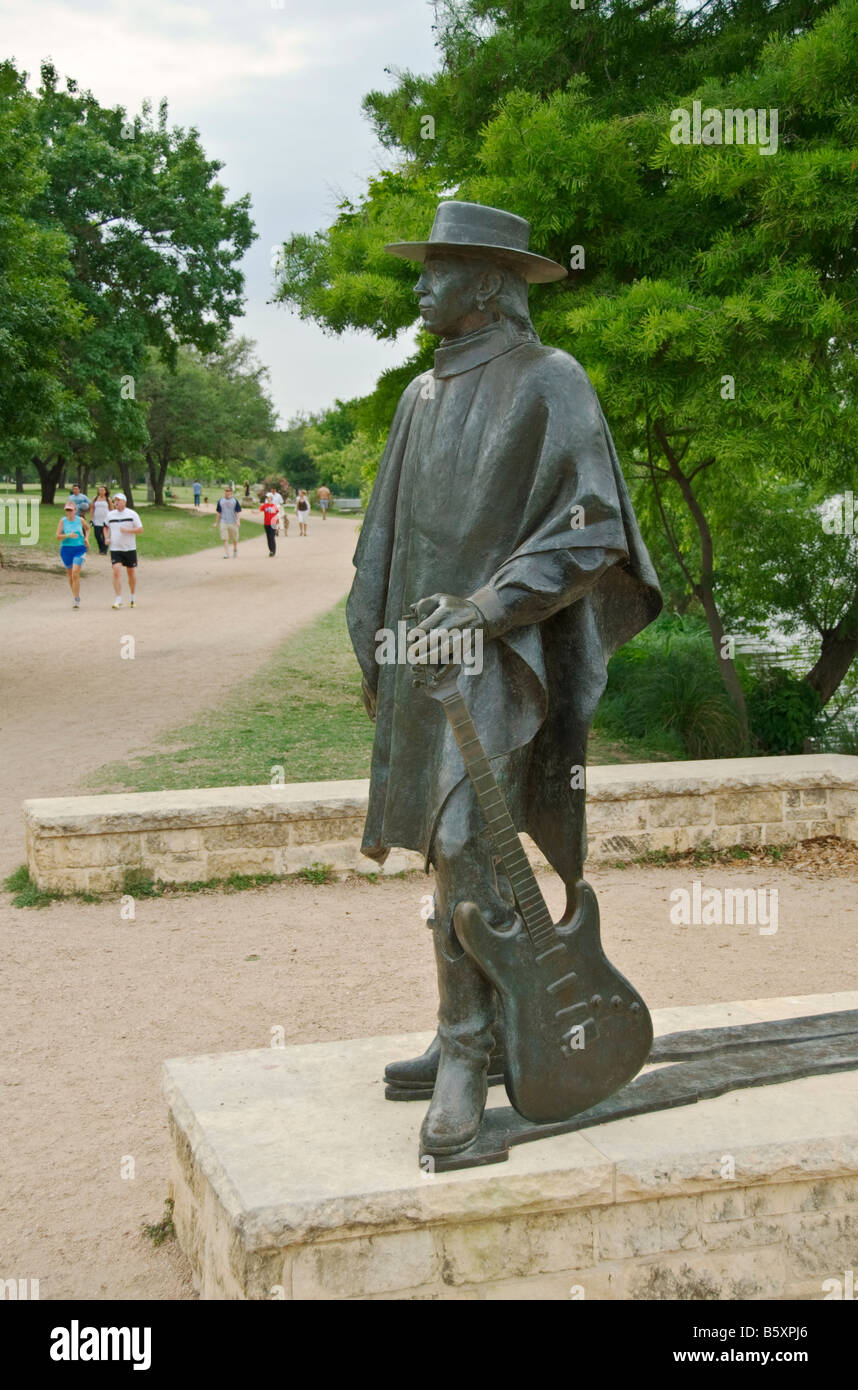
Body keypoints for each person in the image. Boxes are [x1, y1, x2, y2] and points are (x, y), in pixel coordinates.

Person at [347, 200, 661, 1157]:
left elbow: (593, 526)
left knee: (464, 831)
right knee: (451, 854)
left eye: (437, 270)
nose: (420, 285)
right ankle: (468, 1033)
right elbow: (389, 533)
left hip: (498, 653)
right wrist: (375, 630)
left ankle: (468, 1046)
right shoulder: (418, 396)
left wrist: (485, 608)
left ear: (489, 282)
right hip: (421, 658)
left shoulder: (550, 380)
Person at [106, 490, 143, 608]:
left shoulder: (132, 514)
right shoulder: (110, 515)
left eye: (119, 500)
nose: (116, 502)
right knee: (116, 571)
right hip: (115, 548)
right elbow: (105, 527)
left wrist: (128, 531)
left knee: (131, 572)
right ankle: (118, 599)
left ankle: (132, 597)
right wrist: (107, 537)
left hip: (129, 548)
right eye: (115, 500)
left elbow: (140, 529)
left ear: (124, 502)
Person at [56, 500, 89, 609]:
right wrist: (68, 535)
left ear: (75, 510)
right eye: (67, 510)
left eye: (71, 510)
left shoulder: (80, 520)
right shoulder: (63, 521)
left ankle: (76, 600)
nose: (69, 512)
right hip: (66, 549)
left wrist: (86, 538)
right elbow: (57, 536)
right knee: (70, 575)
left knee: (75, 572)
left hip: (79, 549)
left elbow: (87, 528)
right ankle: (76, 595)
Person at [215, 484, 241, 557]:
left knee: (235, 539)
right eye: (226, 491)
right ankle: (226, 553)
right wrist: (216, 522)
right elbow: (218, 512)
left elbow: (238, 512)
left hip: (233, 522)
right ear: (224, 492)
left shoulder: (234, 501)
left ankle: (235, 549)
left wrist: (238, 521)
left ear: (231, 492)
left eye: (228, 491)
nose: (227, 492)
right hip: (224, 522)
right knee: (225, 538)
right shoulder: (221, 501)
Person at [88, 485, 111, 555]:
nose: (101, 492)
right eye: (100, 490)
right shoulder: (95, 498)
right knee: (97, 535)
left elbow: (112, 509)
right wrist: (91, 519)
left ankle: (104, 550)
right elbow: (92, 508)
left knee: (105, 536)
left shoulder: (108, 499)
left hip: (105, 520)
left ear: (105, 491)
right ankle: (101, 547)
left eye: (102, 490)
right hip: (97, 520)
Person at [260, 492, 279, 557]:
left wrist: (277, 525)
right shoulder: (265, 505)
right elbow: (260, 510)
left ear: (271, 498)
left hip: (273, 523)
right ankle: (270, 550)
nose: (268, 499)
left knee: (272, 537)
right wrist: (254, 512)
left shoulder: (274, 506)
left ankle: (273, 551)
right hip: (266, 523)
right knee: (268, 537)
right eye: (267, 498)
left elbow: (276, 515)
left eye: (269, 497)